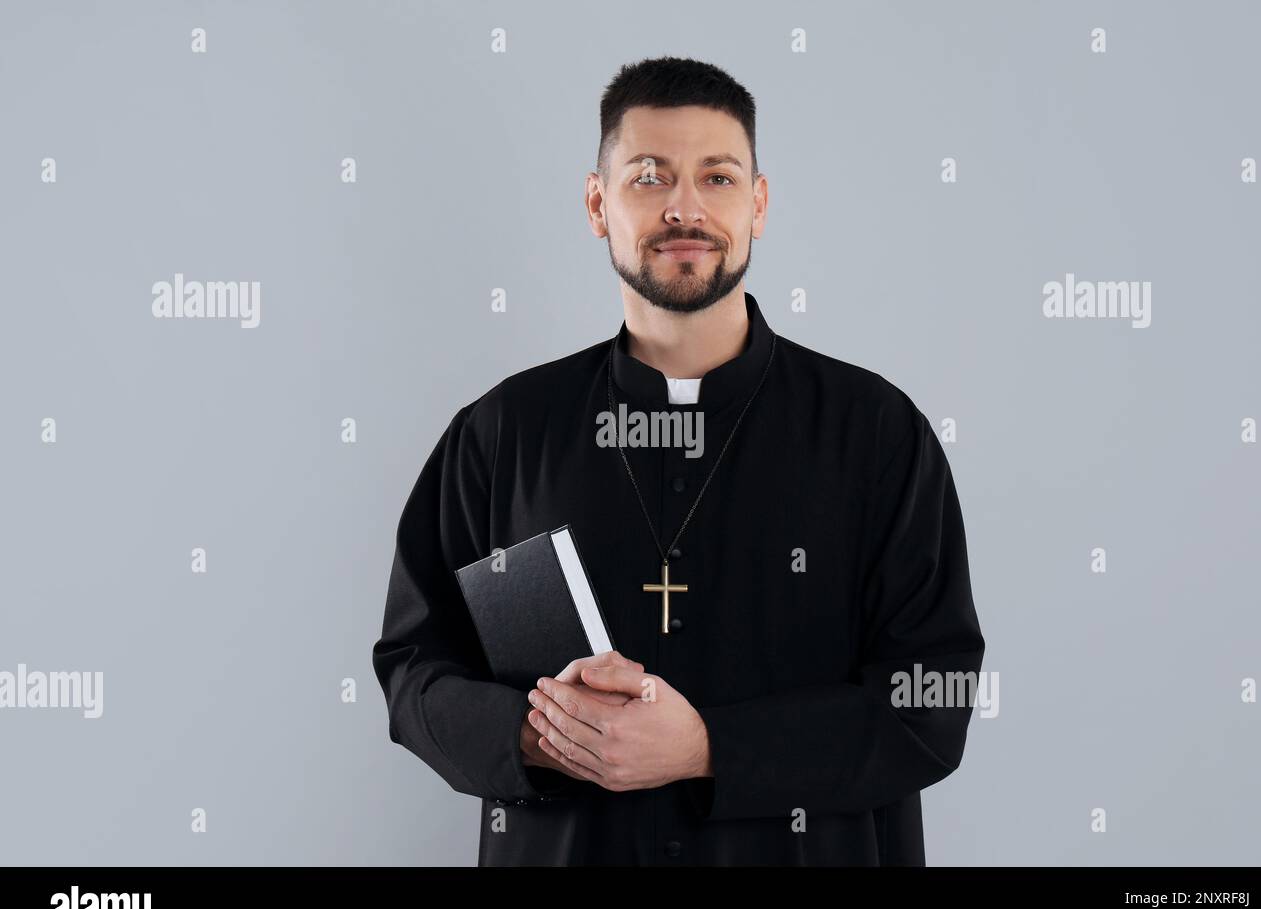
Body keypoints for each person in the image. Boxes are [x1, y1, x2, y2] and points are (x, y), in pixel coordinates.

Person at [373, 55, 985, 865]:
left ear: (759, 204)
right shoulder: (504, 432)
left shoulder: (876, 434)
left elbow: (928, 704)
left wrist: (706, 748)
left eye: (719, 178)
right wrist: (535, 734)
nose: (684, 208)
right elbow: (414, 670)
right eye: (649, 178)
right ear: (598, 204)